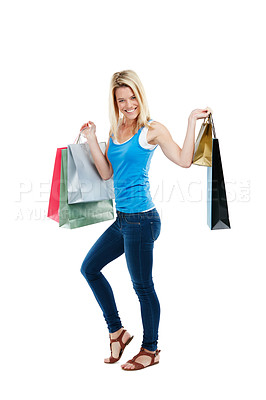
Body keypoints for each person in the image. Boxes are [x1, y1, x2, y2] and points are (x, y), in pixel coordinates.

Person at [80, 69, 211, 371]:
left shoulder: (151, 130)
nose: (128, 105)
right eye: (121, 100)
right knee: (89, 268)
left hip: (142, 220)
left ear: (141, 95)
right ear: (115, 103)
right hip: (123, 220)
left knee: (142, 286)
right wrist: (90, 139)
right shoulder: (116, 130)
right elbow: (106, 173)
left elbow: (184, 159)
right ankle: (117, 332)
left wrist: (191, 122)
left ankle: (150, 350)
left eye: (132, 97)